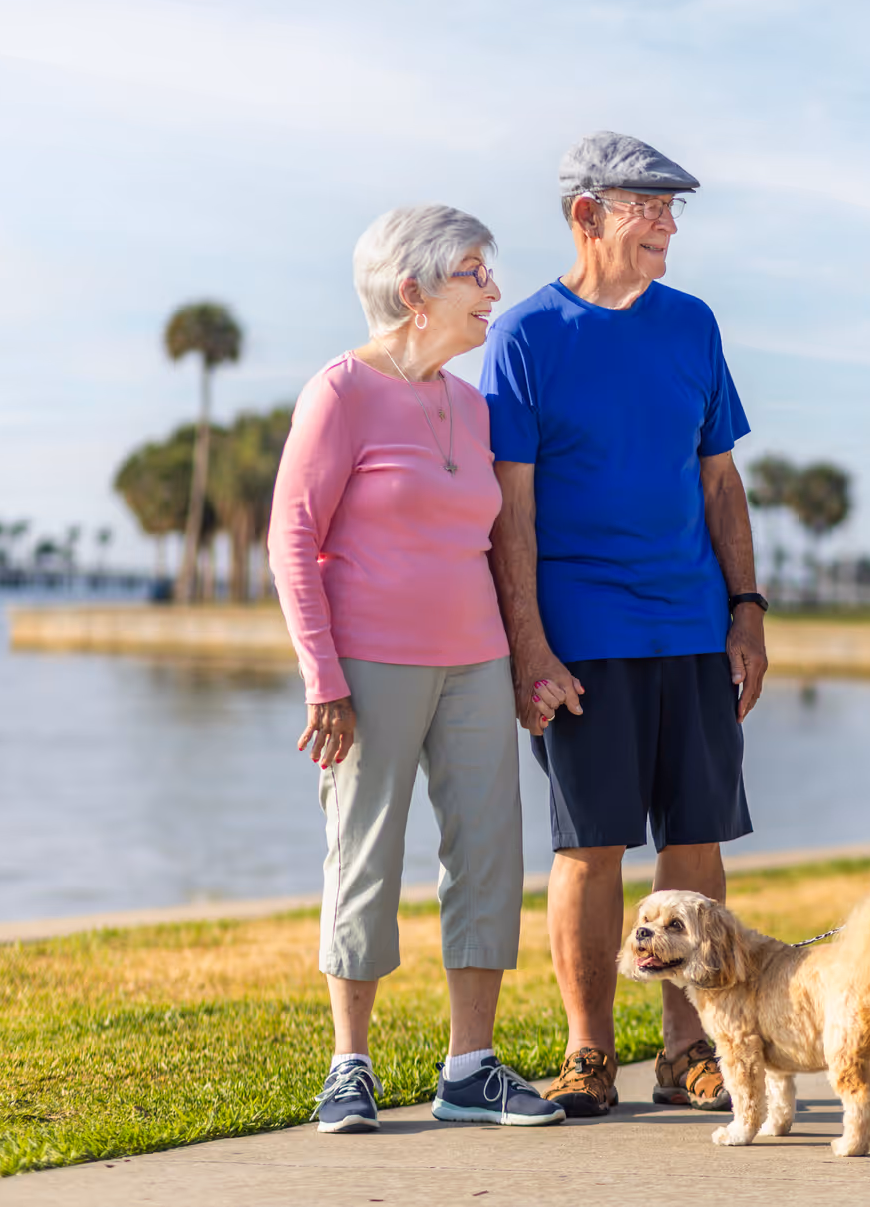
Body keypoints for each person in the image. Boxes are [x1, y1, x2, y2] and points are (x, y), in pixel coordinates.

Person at [481, 132, 767, 1118]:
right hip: (582, 643)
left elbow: (721, 483)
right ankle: (588, 1053)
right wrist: (529, 645)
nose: (668, 225)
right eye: (649, 206)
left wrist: (748, 612)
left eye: (672, 208)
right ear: (585, 214)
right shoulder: (523, 338)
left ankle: (688, 1047)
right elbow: (509, 509)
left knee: (694, 842)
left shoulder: (694, 327)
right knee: (589, 845)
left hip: (693, 627)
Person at [269, 204, 564, 1134]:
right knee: (364, 856)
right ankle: (347, 1066)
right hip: (368, 661)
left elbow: (492, 543)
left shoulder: (471, 405)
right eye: (475, 273)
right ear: (414, 291)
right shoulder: (341, 391)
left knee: (486, 855)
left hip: (475, 660)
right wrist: (323, 674)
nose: (493, 292)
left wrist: (527, 662)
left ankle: (469, 1068)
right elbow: (292, 538)